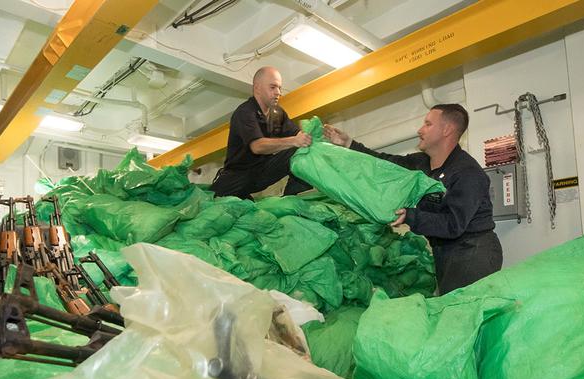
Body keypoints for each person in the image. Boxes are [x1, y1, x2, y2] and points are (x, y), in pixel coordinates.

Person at [324, 104, 502, 294]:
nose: (420, 130)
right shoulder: (421, 163)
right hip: (445, 252)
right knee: (451, 310)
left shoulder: (468, 173)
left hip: (473, 253)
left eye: (428, 124)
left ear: (446, 129)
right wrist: (349, 144)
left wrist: (410, 215)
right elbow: (384, 164)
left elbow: (453, 224)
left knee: (463, 313)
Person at [210, 66, 313, 199]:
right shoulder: (245, 112)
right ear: (257, 88)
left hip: (261, 172)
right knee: (230, 206)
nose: (278, 92)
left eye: (279, 88)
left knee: (303, 150)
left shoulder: (277, 114)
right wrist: (294, 141)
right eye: (273, 87)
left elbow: (298, 135)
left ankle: (292, 197)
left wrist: (312, 136)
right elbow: (257, 147)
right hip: (236, 178)